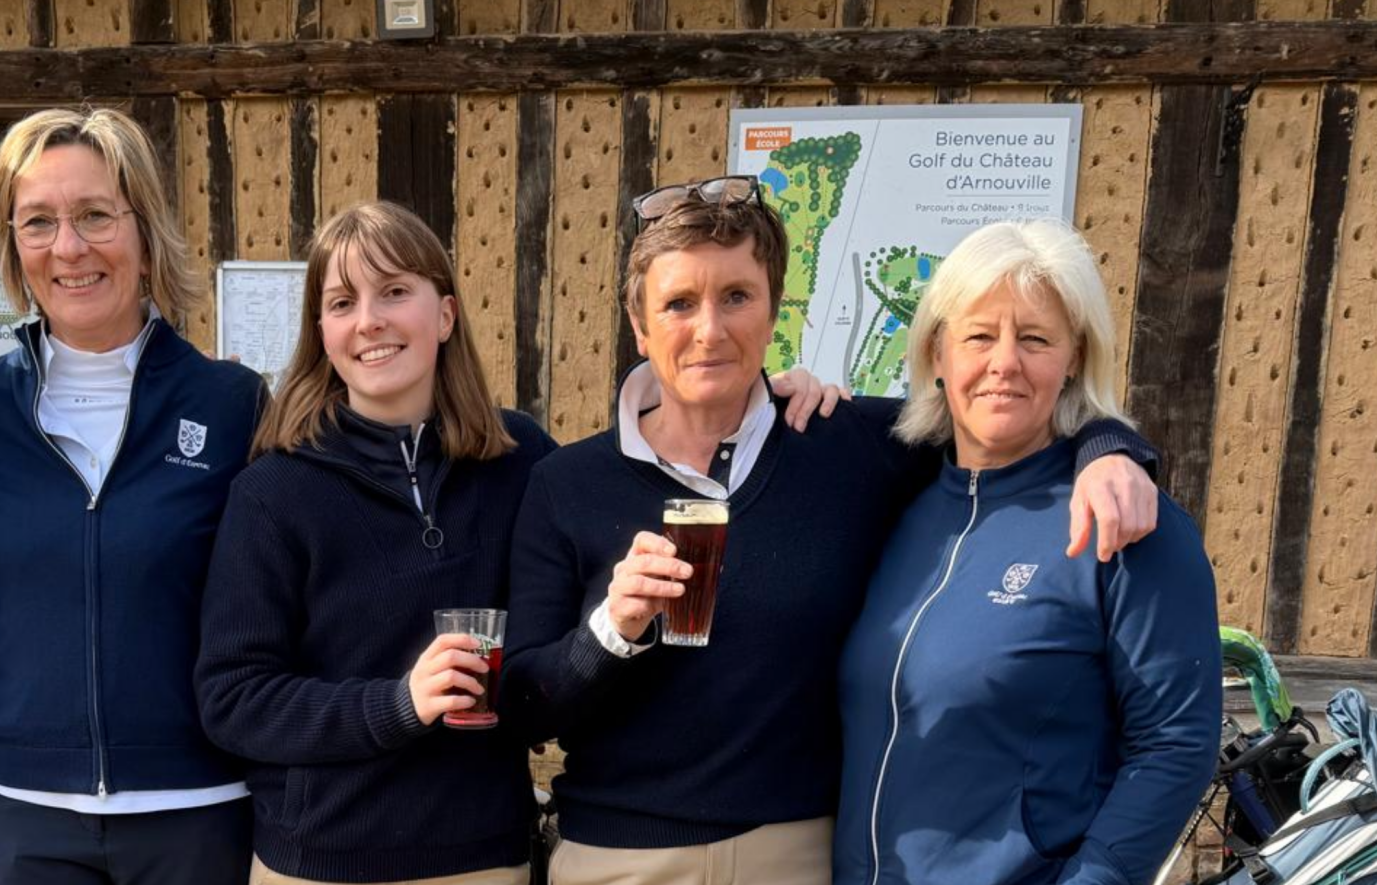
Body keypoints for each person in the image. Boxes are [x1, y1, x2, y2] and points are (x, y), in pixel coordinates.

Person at [500, 177, 1161, 885]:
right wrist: (611, 630)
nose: (709, 329)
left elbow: (1001, 411)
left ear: (774, 311)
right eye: (679, 303)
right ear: (640, 325)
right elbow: (523, 707)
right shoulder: (566, 483)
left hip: (802, 855)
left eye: (737, 297)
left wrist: (1109, 448)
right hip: (619, 859)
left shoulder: (852, 443)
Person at [831, 219, 1221, 885]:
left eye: (1036, 338)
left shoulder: (1122, 522)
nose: (1004, 362)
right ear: (936, 351)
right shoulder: (895, 501)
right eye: (979, 336)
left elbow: (1175, 746)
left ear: (1074, 358)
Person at [0, 107, 268, 884]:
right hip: (23, 805)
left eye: (95, 215)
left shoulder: (233, 404)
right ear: (13, 246)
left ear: (145, 232)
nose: (68, 247)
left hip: (197, 802)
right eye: (38, 222)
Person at [192, 201, 555, 885]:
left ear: (444, 315)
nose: (368, 320)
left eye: (393, 291)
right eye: (342, 302)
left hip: (485, 858)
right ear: (323, 333)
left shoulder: (521, 459)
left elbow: (576, 614)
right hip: (322, 864)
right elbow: (233, 699)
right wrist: (398, 704)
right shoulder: (273, 491)